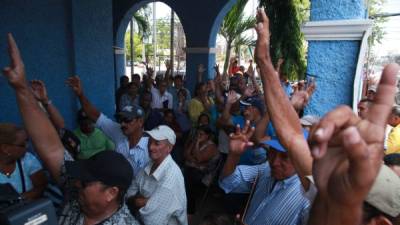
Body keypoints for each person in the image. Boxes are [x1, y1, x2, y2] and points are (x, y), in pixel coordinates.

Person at [254, 8, 400, 224]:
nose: (316, 197)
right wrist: (264, 60)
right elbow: (292, 135)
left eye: (336, 199)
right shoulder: (328, 194)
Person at [2, 33, 139, 225]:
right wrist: (21, 88)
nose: (76, 183)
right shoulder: (78, 193)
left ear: (111, 193)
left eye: (84, 182)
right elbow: (51, 147)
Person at [66, 76, 150, 176]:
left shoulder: (151, 146)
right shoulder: (118, 130)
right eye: (121, 120)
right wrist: (80, 94)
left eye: (127, 120)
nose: (122, 124)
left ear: (140, 121)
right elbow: (94, 115)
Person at [127, 125, 187, 225]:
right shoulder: (150, 163)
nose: (150, 147)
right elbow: (130, 193)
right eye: (149, 142)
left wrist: (138, 202)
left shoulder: (170, 177)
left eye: (157, 143)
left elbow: (152, 220)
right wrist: (143, 202)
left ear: (169, 148)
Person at [0, 123, 47, 200]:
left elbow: (41, 187)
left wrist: (18, 200)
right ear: (5, 148)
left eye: (27, 141)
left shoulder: (28, 160)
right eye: (22, 144)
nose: (27, 146)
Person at [184, 125, 219, 215]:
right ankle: (186, 204)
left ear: (207, 136)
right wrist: (194, 160)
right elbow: (186, 154)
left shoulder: (211, 146)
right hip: (193, 168)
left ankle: (190, 209)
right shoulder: (196, 141)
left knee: (190, 178)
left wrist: (197, 143)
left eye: (201, 134)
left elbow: (199, 158)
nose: (198, 136)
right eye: (197, 134)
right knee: (185, 173)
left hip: (205, 174)